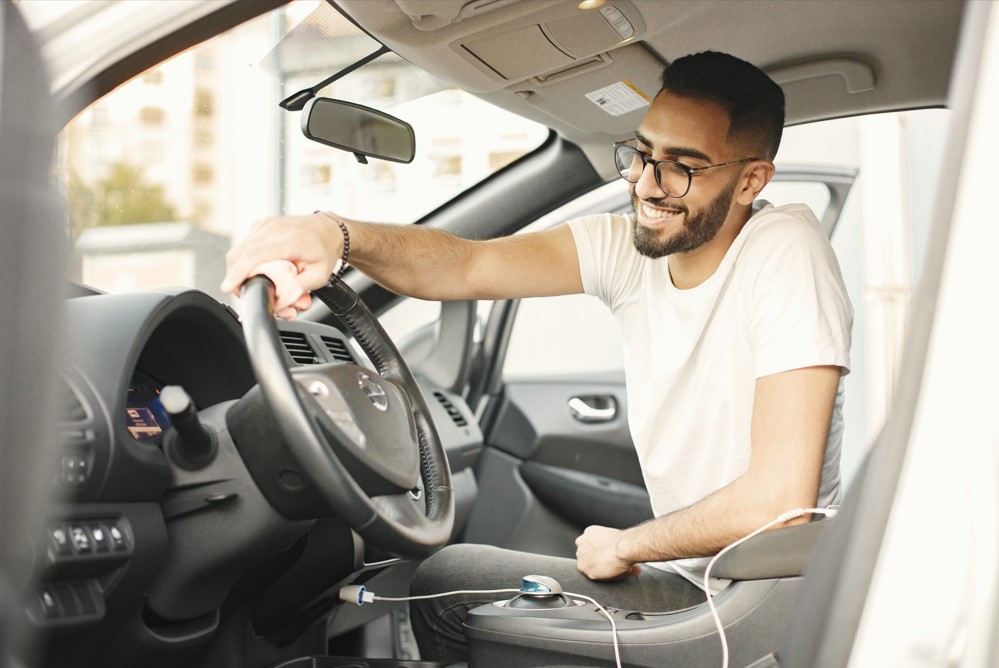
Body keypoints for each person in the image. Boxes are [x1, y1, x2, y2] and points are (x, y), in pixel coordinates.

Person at [221, 50, 852, 661]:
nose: (648, 185)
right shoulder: (632, 249)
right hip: (703, 584)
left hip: (756, 601)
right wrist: (336, 234)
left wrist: (631, 545)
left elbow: (779, 502)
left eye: (682, 165)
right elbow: (467, 264)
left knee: (447, 585)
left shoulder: (784, 249)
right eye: (642, 153)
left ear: (750, 180)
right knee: (452, 579)